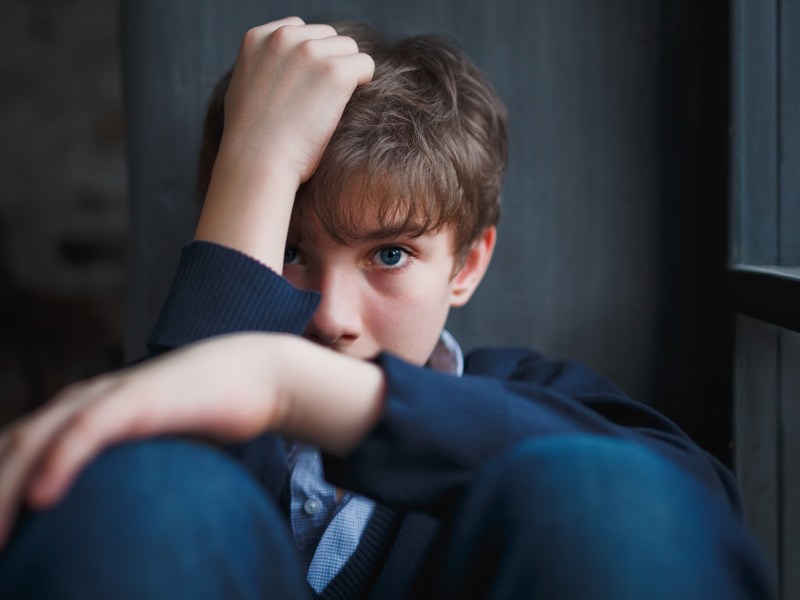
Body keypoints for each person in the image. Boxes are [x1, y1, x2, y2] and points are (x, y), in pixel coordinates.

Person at [0, 16, 774, 600]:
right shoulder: (163, 444)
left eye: (391, 256)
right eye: (289, 252)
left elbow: (695, 515)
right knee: (150, 487)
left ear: (467, 265)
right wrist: (257, 162)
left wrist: (296, 386)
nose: (331, 316)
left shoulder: (537, 401)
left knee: (609, 493)